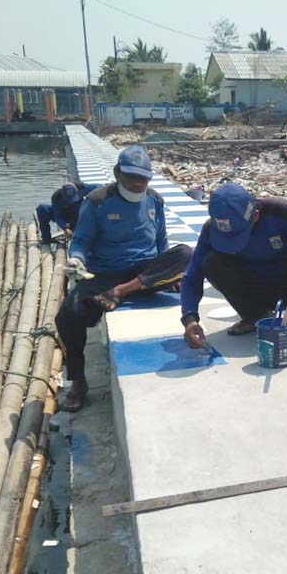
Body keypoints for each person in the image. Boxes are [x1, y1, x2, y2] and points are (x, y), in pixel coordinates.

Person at [55, 145, 192, 411]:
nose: (138, 183)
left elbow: (162, 243)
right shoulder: (96, 201)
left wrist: (168, 273)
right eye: (132, 177)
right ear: (118, 173)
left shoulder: (154, 200)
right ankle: (79, 381)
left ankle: (121, 292)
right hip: (106, 274)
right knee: (67, 316)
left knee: (185, 254)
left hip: (143, 274)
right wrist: (76, 260)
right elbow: (81, 241)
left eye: (143, 178)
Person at [180, 183, 287, 349]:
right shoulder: (210, 230)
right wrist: (190, 319)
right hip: (254, 287)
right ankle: (254, 315)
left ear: (255, 215)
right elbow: (192, 275)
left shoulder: (282, 213)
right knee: (210, 261)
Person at [36, 181, 101, 245]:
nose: (71, 202)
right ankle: (46, 239)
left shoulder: (81, 187)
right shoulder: (56, 197)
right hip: (64, 214)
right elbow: (58, 216)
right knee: (42, 209)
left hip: (78, 212)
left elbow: (100, 187)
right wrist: (65, 227)